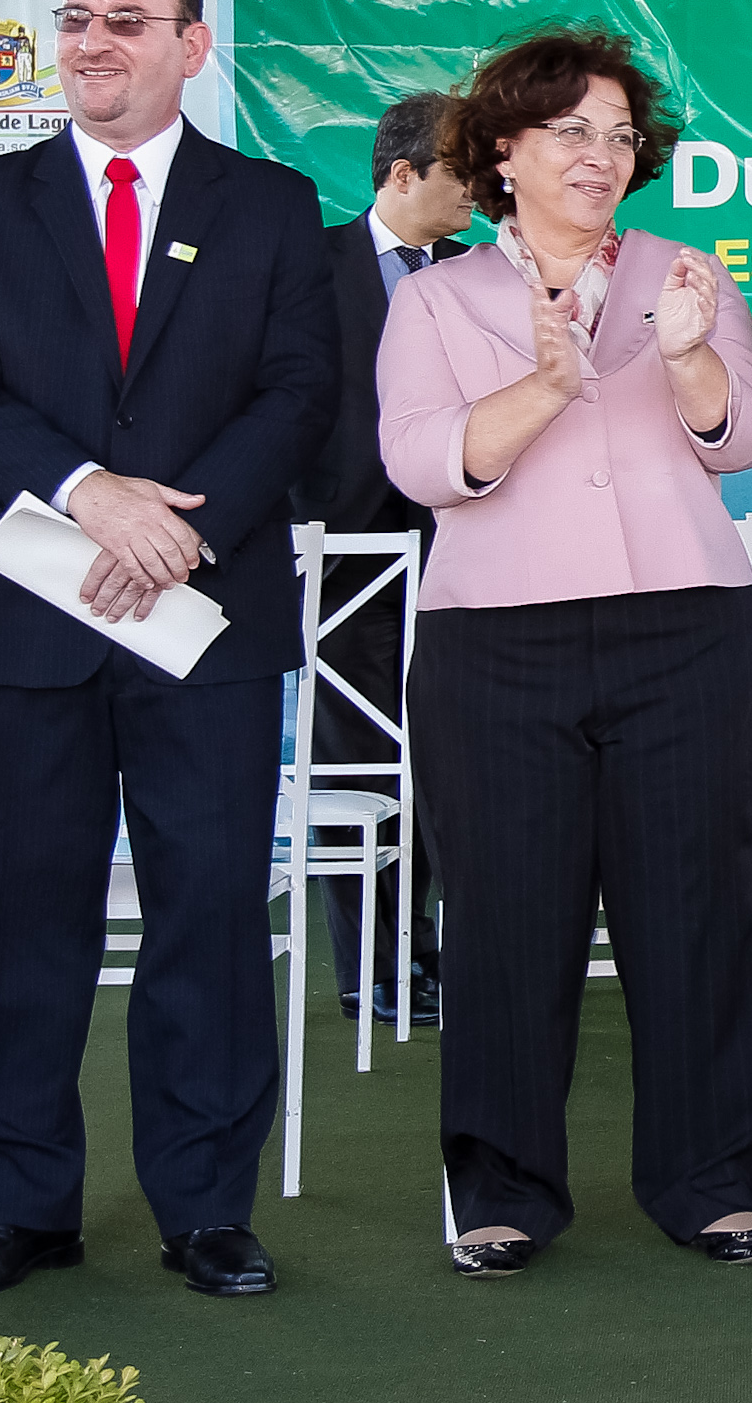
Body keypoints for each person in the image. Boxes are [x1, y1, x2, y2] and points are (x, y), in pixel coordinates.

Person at [0, 0, 339, 1303]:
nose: (94, 41)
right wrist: (93, 494)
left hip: (202, 618)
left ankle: (205, 1205)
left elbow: (298, 393)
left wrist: (188, 530)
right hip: (33, 616)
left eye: (128, 19)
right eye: (77, 17)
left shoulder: (270, 204)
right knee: (20, 920)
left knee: (209, 915)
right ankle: (19, 1208)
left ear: (190, 45)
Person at [375, 28, 752, 1275]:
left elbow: (745, 433)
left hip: (688, 632)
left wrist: (685, 355)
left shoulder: (684, 273)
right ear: (502, 149)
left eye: (617, 134)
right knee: (506, 920)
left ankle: (708, 1182)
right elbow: (422, 462)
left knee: (695, 915)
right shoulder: (439, 298)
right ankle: (501, 1193)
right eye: (570, 132)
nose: (599, 155)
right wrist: (549, 386)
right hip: (495, 647)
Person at [297, 91, 471, 1029]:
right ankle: (375, 967)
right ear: (401, 174)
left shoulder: (481, 271)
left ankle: (458, 955)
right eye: (462, 175)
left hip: (465, 550)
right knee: (354, 765)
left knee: (458, 760)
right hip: (344, 557)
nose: (479, 193)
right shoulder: (308, 266)